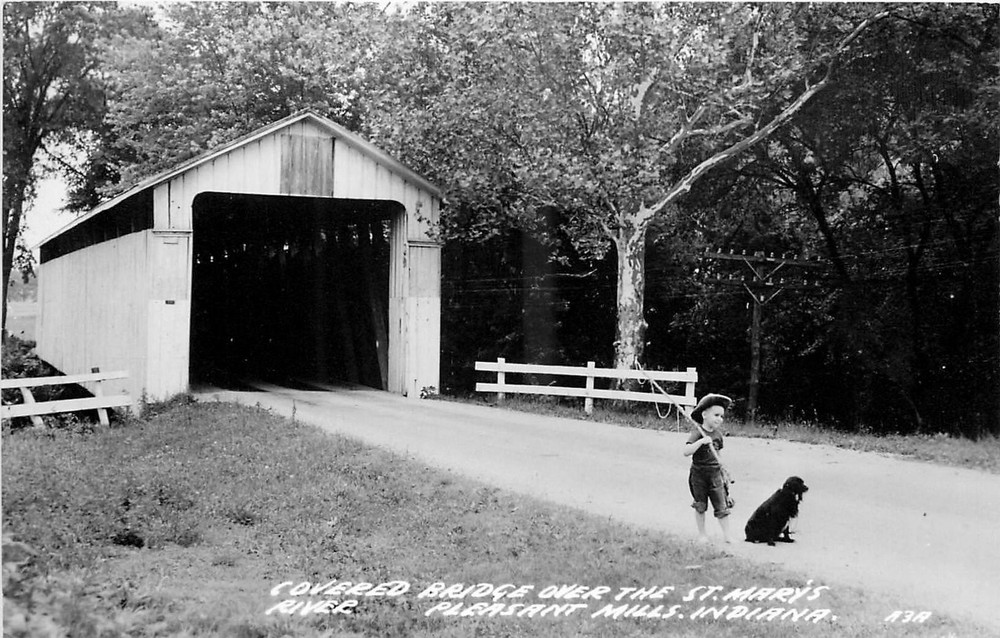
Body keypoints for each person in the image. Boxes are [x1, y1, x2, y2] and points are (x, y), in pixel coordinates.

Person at [682, 393, 734, 543]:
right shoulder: (698, 433)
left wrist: (724, 469)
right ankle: (702, 534)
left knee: (721, 506)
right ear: (704, 414)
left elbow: (718, 453)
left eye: (722, 416)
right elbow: (686, 452)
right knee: (700, 505)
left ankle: (727, 535)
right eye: (716, 415)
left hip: (715, 474)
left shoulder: (718, 435)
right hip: (699, 475)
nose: (720, 419)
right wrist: (701, 442)